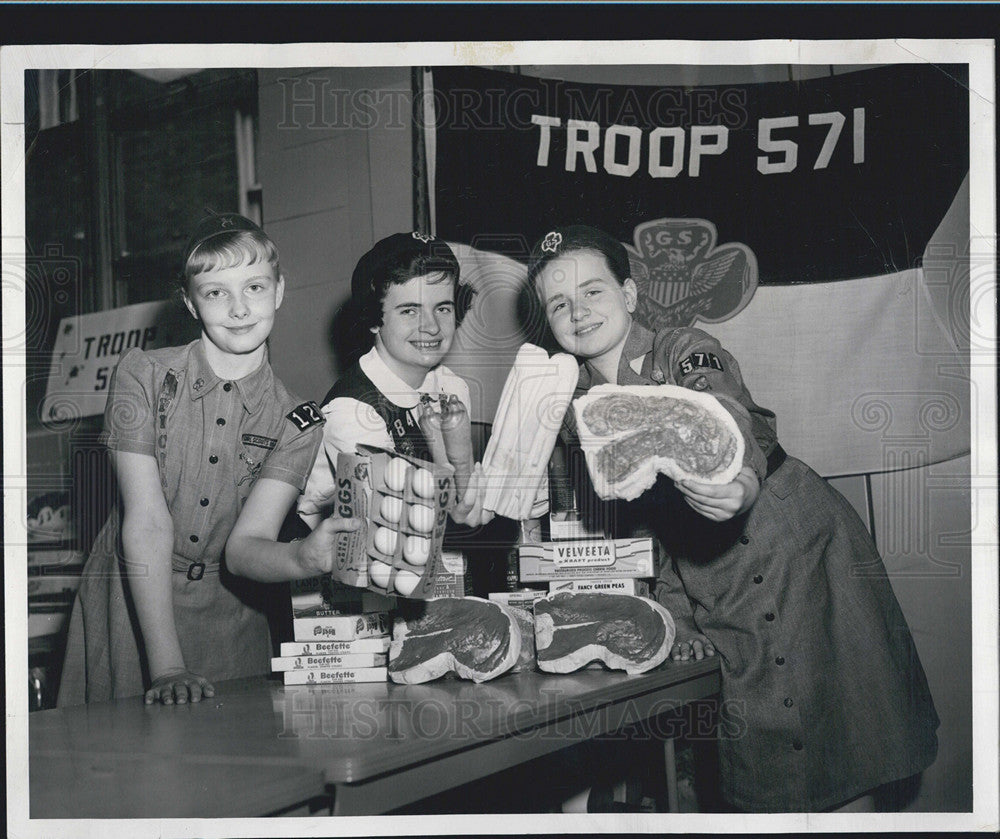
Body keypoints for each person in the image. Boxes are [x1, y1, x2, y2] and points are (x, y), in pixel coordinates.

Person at [528, 224, 940, 813]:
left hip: (795, 548)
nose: (578, 311)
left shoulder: (681, 347)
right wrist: (678, 620)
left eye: (592, 291)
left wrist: (738, 477)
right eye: (559, 303)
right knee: (769, 776)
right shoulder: (578, 411)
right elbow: (643, 532)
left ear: (630, 294)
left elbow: (721, 407)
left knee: (843, 756)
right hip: (713, 582)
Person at [57, 213, 359, 707]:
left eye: (255, 287)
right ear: (190, 303)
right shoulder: (143, 374)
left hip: (229, 621)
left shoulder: (298, 421)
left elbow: (244, 550)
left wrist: (304, 558)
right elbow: (149, 523)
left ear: (280, 291)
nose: (240, 309)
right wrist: (169, 666)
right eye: (216, 292)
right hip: (132, 606)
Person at [292, 231, 489, 532]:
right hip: (339, 559)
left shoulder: (452, 388)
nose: (432, 327)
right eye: (409, 310)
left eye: (443, 308)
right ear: (373, 318)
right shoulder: (351, 411)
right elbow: (391, 525)